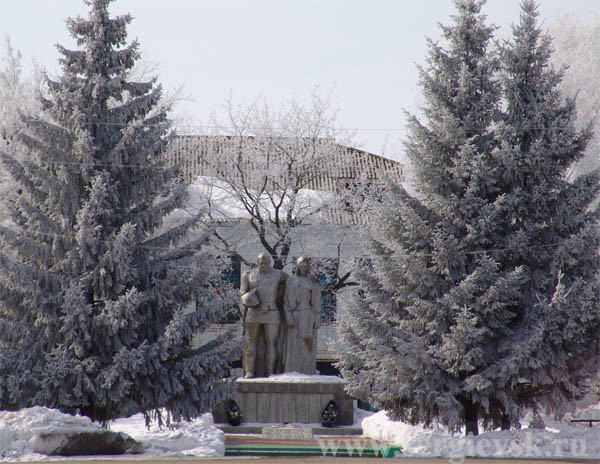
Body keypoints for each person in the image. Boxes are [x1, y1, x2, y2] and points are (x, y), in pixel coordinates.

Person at [240, 252, 286, 378]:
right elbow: (242, 294)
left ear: (270, 263)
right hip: (254, 312)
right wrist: (250, 299)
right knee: (250, 342)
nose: (263, 266)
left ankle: (270, 371)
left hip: (272, 312)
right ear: (257, 262)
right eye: (261, 263)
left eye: (266, 263)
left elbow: (293, 285)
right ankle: (250, 370)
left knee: (272, 344)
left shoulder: (279, 275)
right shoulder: (248, 275)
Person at [283, 257, 321, 374]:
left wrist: (317, 318)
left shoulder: (312, 282)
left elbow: (317, 301)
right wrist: (288, 316)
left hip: (307, 314)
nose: (303, 268)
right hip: (294, 313)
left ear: (308, 267)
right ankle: (292, 369)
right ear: (297, 266)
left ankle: (307, 369)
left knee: (307, 342)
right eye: (301, 266)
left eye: (305, 266)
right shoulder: (291, 281)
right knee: (293, 343)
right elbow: (286, 300)